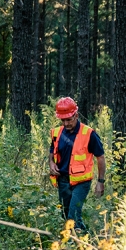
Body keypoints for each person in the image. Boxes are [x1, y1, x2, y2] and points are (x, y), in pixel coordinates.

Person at [46, 97, 105, 233]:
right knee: (66, 214)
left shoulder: (89, 134)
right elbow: (52, 150)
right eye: (63, 120)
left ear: (76, 115)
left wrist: (100, 182)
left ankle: (74, 245)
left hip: (81, 182)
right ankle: (85, 235)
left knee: (73, 216)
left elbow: (100, 157)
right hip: (63, 180)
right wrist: (51, 163)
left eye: (69, 119)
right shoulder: (57, 133)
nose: (66, 123)